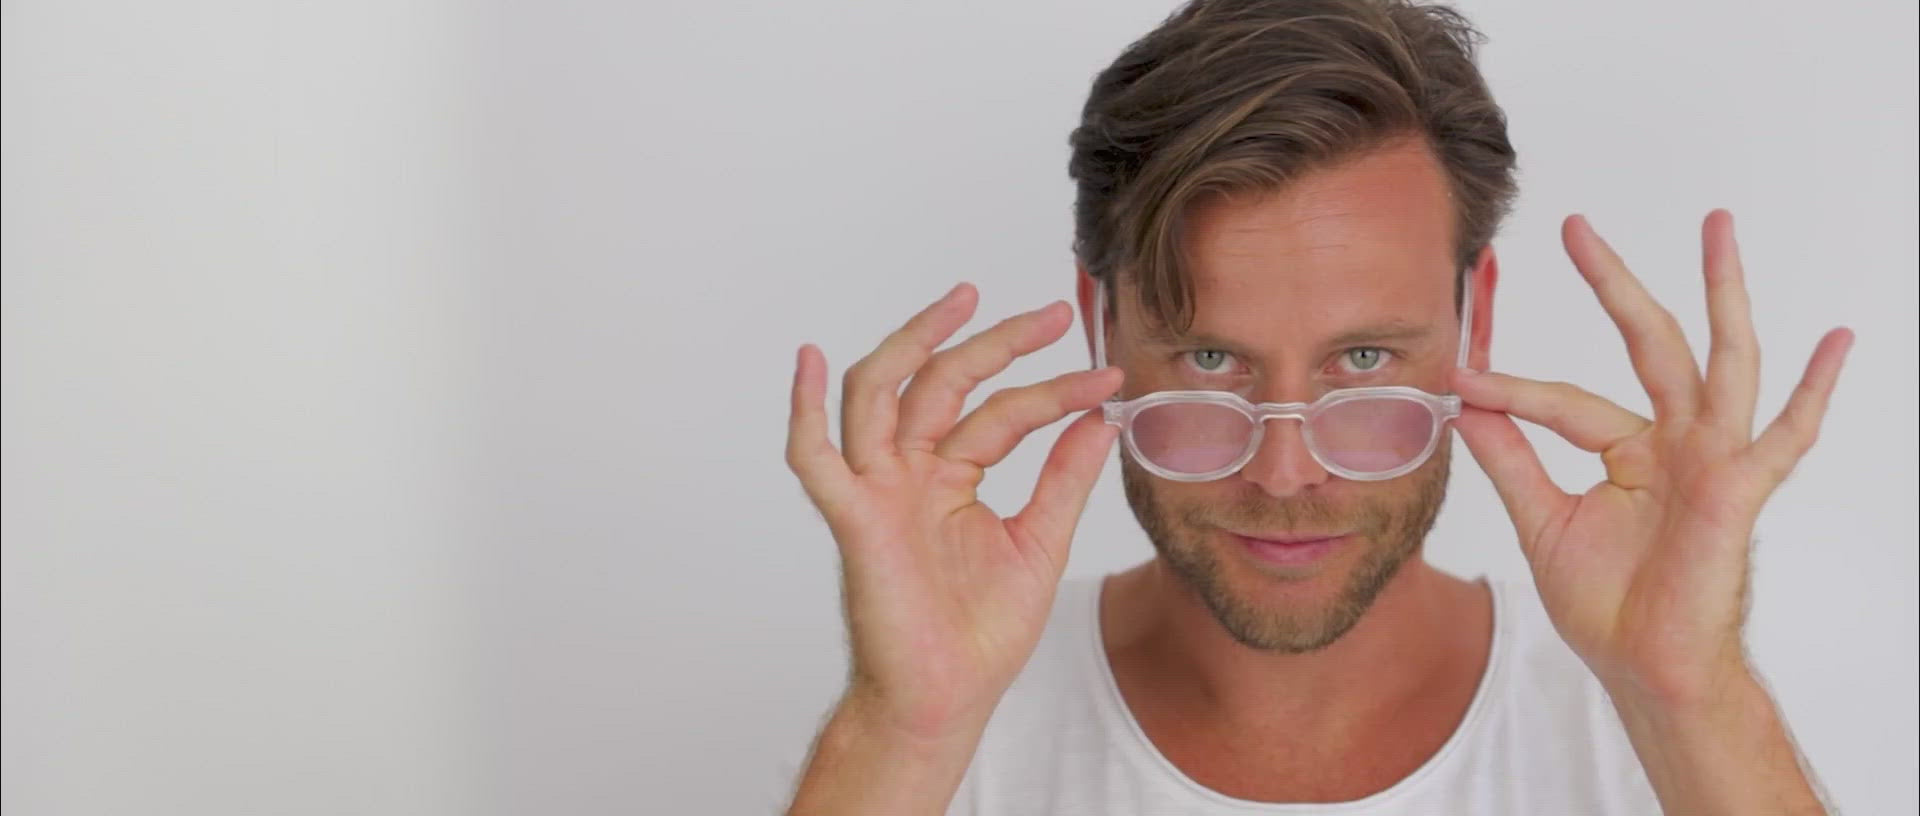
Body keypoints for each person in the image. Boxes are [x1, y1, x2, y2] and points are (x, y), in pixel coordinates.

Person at [781, 0, 1850, 813]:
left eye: (1364, 358)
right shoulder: (945, 735)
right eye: (1211, 357)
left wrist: (1691, 698)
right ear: (1103, 325)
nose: (1285, 475)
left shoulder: (1654, 730)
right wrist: (901, 732)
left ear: (1473, 318)